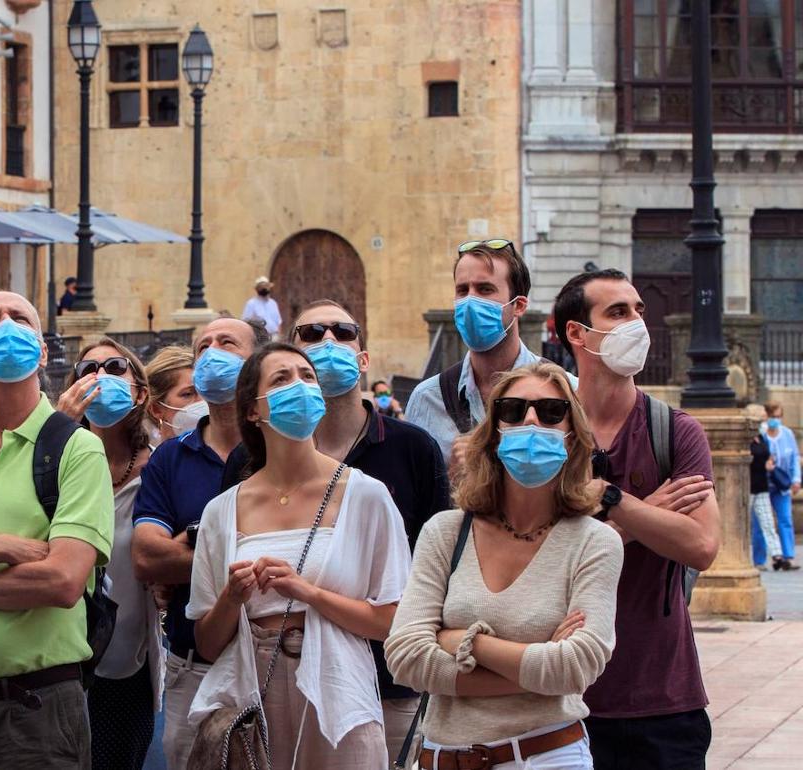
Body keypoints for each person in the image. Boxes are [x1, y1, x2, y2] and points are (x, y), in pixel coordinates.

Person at [385, 361, 623, 770]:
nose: (530, 421)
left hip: (545, 756)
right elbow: (405, 657)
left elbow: (577, 665)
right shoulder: (446, 532)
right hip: (442, 757)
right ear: (493, 432)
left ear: (572, 435)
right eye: (512, 410)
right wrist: (537, 667)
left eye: (550, 412)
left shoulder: (594, 541)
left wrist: (463, 641)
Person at [188, 342, 410, 767]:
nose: (300, 386)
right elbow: (207, 643)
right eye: (282, 379)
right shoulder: (223, 511)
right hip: (250, 695)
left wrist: (307, 592)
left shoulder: (366, 495)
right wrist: (232, 597)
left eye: (307, 376)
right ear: (253, 410)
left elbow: (392, 621)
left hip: (339, 693)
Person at [553, 268, 720, 770]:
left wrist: (611, 498)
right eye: (618, 312)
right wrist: (645, 518)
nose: (637, 324)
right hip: (560, 697)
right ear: (577, 333)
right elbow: (536, 558)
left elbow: (702, 547)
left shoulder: (675, 431)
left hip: (664, 699)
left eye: (639, 310)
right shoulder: (542, 432)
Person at [0, 292, 113, 770]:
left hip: (34, 713)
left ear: (41, 350)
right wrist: (0, 547)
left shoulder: (75, 448)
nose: (6, 325)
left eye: (20, 318)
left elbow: (61, 581)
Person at [289, 300, 450, 760]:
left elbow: (436, 564)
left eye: (342, 332)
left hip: (390, 682)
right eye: (312, 333)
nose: (328, 342)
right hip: (291, 678)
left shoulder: (413, 449)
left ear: (363, 358)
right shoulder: (260, 455)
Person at [131, 317, 258, 770]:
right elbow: (147, 556)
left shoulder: (283, 449)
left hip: (273, 662)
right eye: (203, 346)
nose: (213, 352)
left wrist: (189, 543)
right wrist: (239, 549)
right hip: (193, 668)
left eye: (227, 343)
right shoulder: (172, 455)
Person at [55, 338, 159, 770]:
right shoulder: (56, 459)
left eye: (115, 367)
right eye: (87, 369)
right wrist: (58, 427)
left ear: (139, 391)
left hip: (127, 663)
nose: (99, 376)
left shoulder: (159, 468)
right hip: (62, 657)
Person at [408, 240, 561, 477]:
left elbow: (578, 482)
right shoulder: (427, 399)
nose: (470, 301)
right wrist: (453, 475)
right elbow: (416, 498)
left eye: (485, 289)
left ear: (519, 305)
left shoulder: (564, 392)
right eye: (462, 290)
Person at [760, 401, 801, 571]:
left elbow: (794, 458)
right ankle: (759, 560)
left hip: (782, 484)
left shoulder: (788, 434)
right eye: (772, 417)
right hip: (763, 484)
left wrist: (796, 479)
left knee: (785, 519)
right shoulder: (761, 434)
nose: (775, 420)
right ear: (766, 417)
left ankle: (787, 556)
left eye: (778, 417)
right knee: (761, 522)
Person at [143, 345, 205, 443]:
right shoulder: (152, 457)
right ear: (156, 409)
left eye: (206, 391)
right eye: (188, 394)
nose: (202, 401)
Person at [749, 431, 788, 571]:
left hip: (762, 487)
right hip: (747, 487)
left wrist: (770, 462)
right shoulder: (744, 438)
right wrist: (763, 464)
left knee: (768, 522)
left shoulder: (761, 437)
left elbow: (767, 455)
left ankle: (777, 555)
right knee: (740, 524)